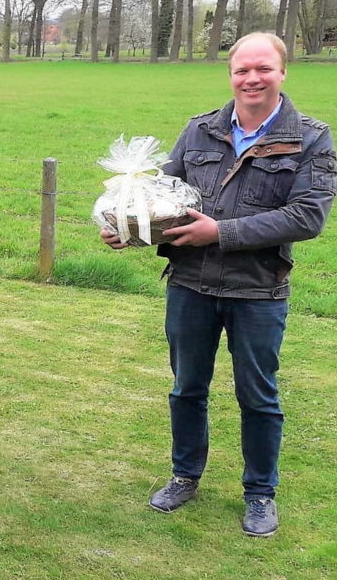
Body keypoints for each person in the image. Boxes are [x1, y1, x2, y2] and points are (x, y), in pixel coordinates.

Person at [101, 32, 335, 537]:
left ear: (283, 72)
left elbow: (307, 217)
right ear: (230, 74)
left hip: (259, 290)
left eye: (263, 69)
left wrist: (220, 232)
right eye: (242, 70)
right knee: (187, 388)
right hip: (190, 284)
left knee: (258, 395)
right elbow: (163, 193)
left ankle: (260, 493)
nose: (252, 79)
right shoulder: (200, 129)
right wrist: (130, 226)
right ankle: (185, 475)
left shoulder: (312, 137)